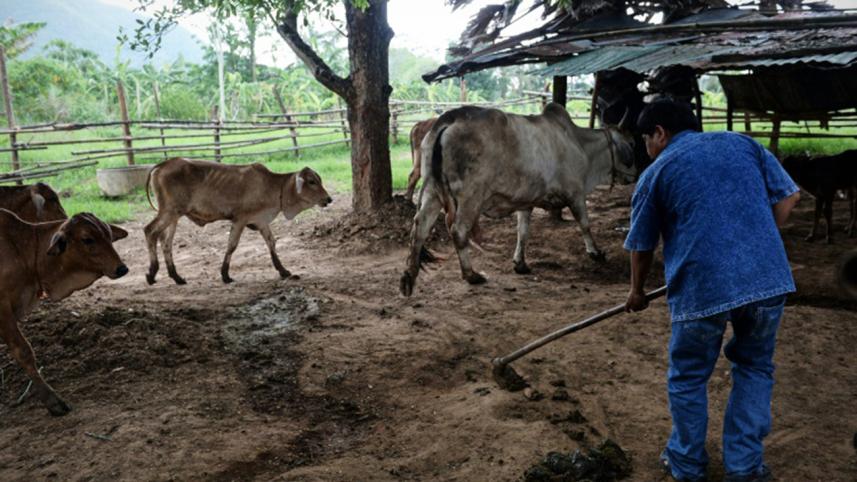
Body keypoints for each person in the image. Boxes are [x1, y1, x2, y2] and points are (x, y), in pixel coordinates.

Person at [623, 98, 800, 482]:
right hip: (767, 280)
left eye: (646, 140)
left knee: (688, 375)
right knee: (754, 367)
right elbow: (789, 196)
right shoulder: (744, 144)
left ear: (659, 133)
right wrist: (759, 239)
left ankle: (686, 465)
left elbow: (641, 245)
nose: (646, 149)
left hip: (702, 287)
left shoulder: (657, 173)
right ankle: (744, 469)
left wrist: (637, 292)